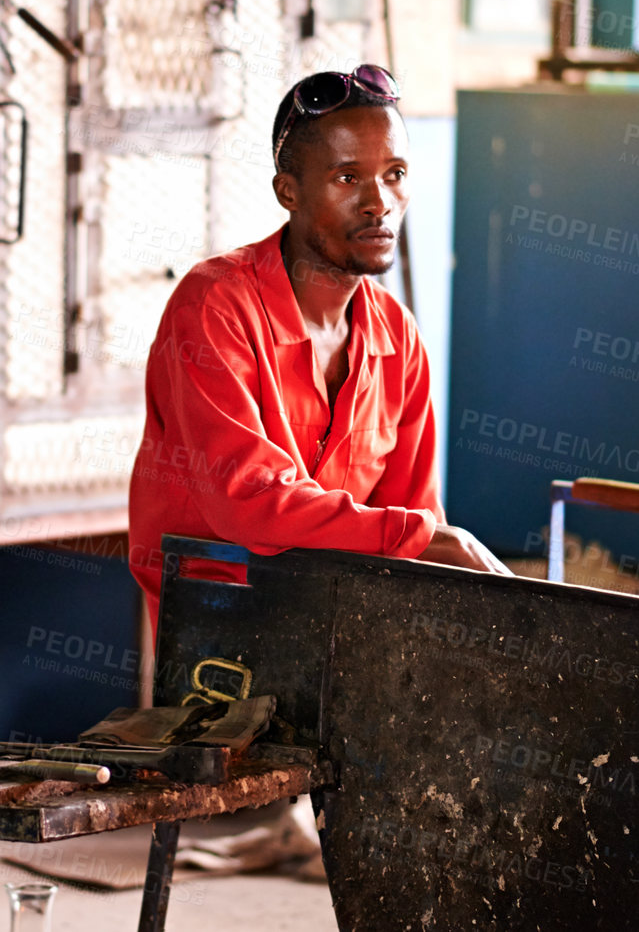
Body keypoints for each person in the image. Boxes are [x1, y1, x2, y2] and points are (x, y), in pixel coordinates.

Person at [127, 64, 510, 625]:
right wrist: (424, 538)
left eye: (395, 173)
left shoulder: (398, 339)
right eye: (348, 178)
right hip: (223, 631)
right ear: (289, 192)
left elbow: (415, 514)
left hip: (351, 627)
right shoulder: (214, 307)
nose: (379, 202)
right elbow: (248, 501)